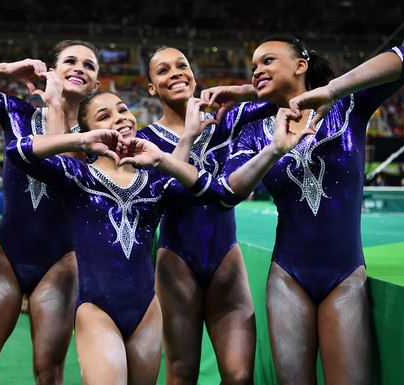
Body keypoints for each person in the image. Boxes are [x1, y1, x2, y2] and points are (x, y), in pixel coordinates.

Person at [206, 35, 404, 385]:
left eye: (268, 61)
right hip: (287, 278)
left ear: (300, 65)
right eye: (254, 67)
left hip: (345, 275)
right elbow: (231, 190)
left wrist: (333, 90)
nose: (257, 70)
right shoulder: (255, 133)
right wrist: (274, 148)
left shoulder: (348, 106)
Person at [5, 89, 241, 385]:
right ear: (89, 132)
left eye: (122, 109)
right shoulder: (76, 175)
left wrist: (182, 143)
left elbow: (221, 194)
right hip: (96, 310)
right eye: (104, 116)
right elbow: (17, 151)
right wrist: (77, 141)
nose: (120, 118)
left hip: (146, 312)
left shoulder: (155, 183)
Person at [0, 40, 100, 384]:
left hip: (60, 264)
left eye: (89, 66)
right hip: (6, 259)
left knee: (47, 374)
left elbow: (61, 166)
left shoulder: (95, 138)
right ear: (51, 70)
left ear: (95, 85)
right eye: (70, 61)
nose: (79, 68)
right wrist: (6, 69)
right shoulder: (17, 113)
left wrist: (57, 104)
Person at [138, 46, 276, 384]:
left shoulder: (226, 121)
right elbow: (160, 194)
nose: (176, 74)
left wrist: (243, 90)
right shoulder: (146, 141)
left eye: (182, 65)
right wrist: (185, 138)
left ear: (194, 74)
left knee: (239, 374)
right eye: (164, 70)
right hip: (175, 262)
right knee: (182, 372)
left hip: (225, 258)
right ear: (152, 87)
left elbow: (288, 97)